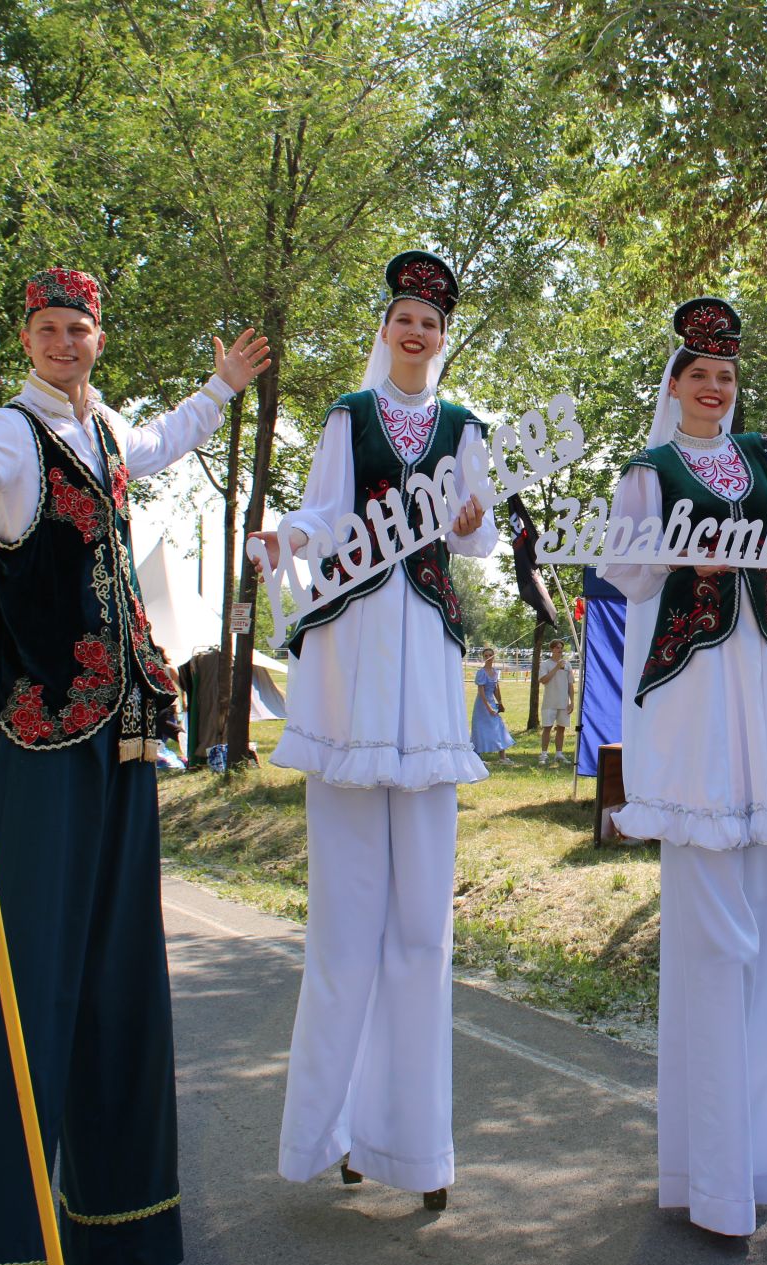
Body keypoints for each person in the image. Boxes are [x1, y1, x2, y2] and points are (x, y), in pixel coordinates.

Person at [0, 266, 271, 1265]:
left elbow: (162, 443)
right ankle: (2, 1250)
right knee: (28, 978)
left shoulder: (101, 430)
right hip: (41, 748)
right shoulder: (9, 431)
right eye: (51, 328)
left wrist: (223, 389)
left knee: (117, 981)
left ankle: (120, 1227)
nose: (66, 342)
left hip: (122, 746)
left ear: (98, 339)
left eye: (80, 329)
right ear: (28, 338)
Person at [250, 250, 494, 1212]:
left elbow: (472, 536)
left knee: (422, 928)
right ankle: (334, 1131)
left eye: (430, 323)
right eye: (404, 317)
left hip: (428, 665)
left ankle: (416, 1146)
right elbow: (321, 509)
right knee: (345, 922)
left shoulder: (466, 426)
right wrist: (287, 537)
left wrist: (470, 516)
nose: (416, 332)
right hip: (353, 661)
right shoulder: (349, 418)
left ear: (443, 338)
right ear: (386, 327)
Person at [607, 297, 767, 1237]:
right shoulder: (648, 470)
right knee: (710, 938)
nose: (713, 388)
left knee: (764, 933)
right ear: (674, 386)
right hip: (693, 703)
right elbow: (623, 572)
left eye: (727, 377)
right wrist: (680, 547)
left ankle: (743, 1171)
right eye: (698, 375)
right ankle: (703, 1181)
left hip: (765, 697)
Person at [472, 647, 514, 761]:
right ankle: (477, 757)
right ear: (483, 657)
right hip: (482, 704)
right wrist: (488, 707)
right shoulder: (481, 673)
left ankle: (502, 757)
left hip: (491, 702)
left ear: (493, 656)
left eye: (490, 655)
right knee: (480, 729)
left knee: (499, 727)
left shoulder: (495, 672)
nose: (488, 657)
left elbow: (496, 688)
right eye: (485, 656)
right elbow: (481, 692)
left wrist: (500, 703)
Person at [538, 639, 574, 765]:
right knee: (547, 728)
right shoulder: (545, 664)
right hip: (549, 702)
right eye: (557, 648)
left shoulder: (567, 665)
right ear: (552, 649)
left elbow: (570, 685)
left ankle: (559, 754)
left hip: (563, 702)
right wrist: (556, 667)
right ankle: (544, 754)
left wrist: (572, 702)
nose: (559, 650)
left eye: (561, 648)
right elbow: (543, 680)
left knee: (561, 728)